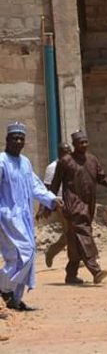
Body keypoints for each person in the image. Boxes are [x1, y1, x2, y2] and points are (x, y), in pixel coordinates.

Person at [50, 130, 107, 285]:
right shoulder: (65, 161)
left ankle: (71, 274)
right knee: (84, 233)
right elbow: (55, 184)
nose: (83, 145)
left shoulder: (92, 160)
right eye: (80, 143)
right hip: (73, 204)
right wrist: (47, 204)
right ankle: (95, 269)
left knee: (74, 238)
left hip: (88, 203)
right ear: (74, 145)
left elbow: (102, 178)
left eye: (85, 142)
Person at [0, 122, 62, 311]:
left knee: (25, 255)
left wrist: (51, 199)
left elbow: (35, 186)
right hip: (7, 217)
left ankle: (13, 299)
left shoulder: (25, 162)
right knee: (21, 254)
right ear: (6, 140)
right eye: (14, 138)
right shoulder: (1, 161)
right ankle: (4, 288)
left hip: (24, 217)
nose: (18, 141)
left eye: (21, 138)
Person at [43, 142, 73, 268]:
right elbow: (47, 188)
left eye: (69, 151)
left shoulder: (73, 165)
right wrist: (45, 206)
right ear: (59, 153)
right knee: (72, 231)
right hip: (60, 202)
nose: (68, 154)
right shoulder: (52, 167)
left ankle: (52, 251)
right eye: (65, 151)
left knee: (71, 232)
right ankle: (76, 259)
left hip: (74, 202)